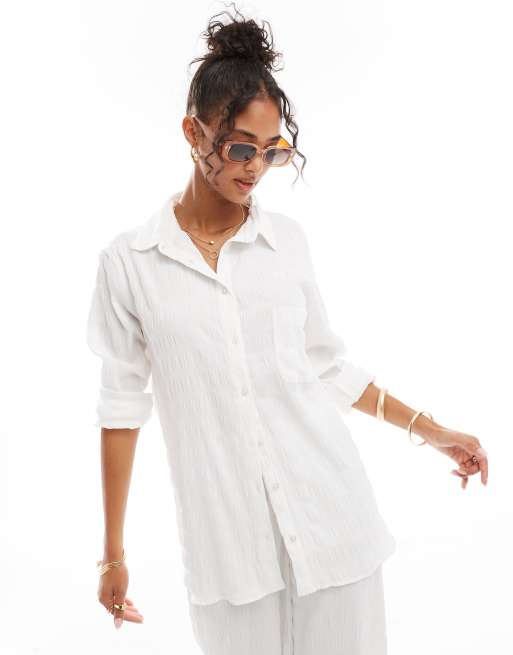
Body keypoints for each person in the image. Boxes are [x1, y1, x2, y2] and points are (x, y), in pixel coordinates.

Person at [86, 4, 489, 653]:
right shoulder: (130, 264)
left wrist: (433, 430)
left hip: (334, 525)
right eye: (240, 147)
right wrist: (112, 553)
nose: (255, 168)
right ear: (192, 131)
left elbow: (326, 369)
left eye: (271, 152)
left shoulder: (287, 244)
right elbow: (120, 408)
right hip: (228, 554)